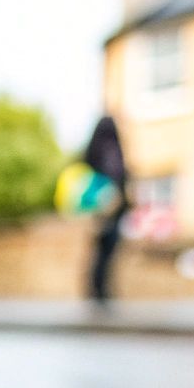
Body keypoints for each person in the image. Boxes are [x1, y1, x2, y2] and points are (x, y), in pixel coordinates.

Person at [82, 116, 132, 306]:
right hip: (110, 209)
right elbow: (117, 177)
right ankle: (100, 290)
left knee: (101, 250)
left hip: (101, 210)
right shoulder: (110, 151)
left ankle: (97, 289)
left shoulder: (94, 153)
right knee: (106, 250)